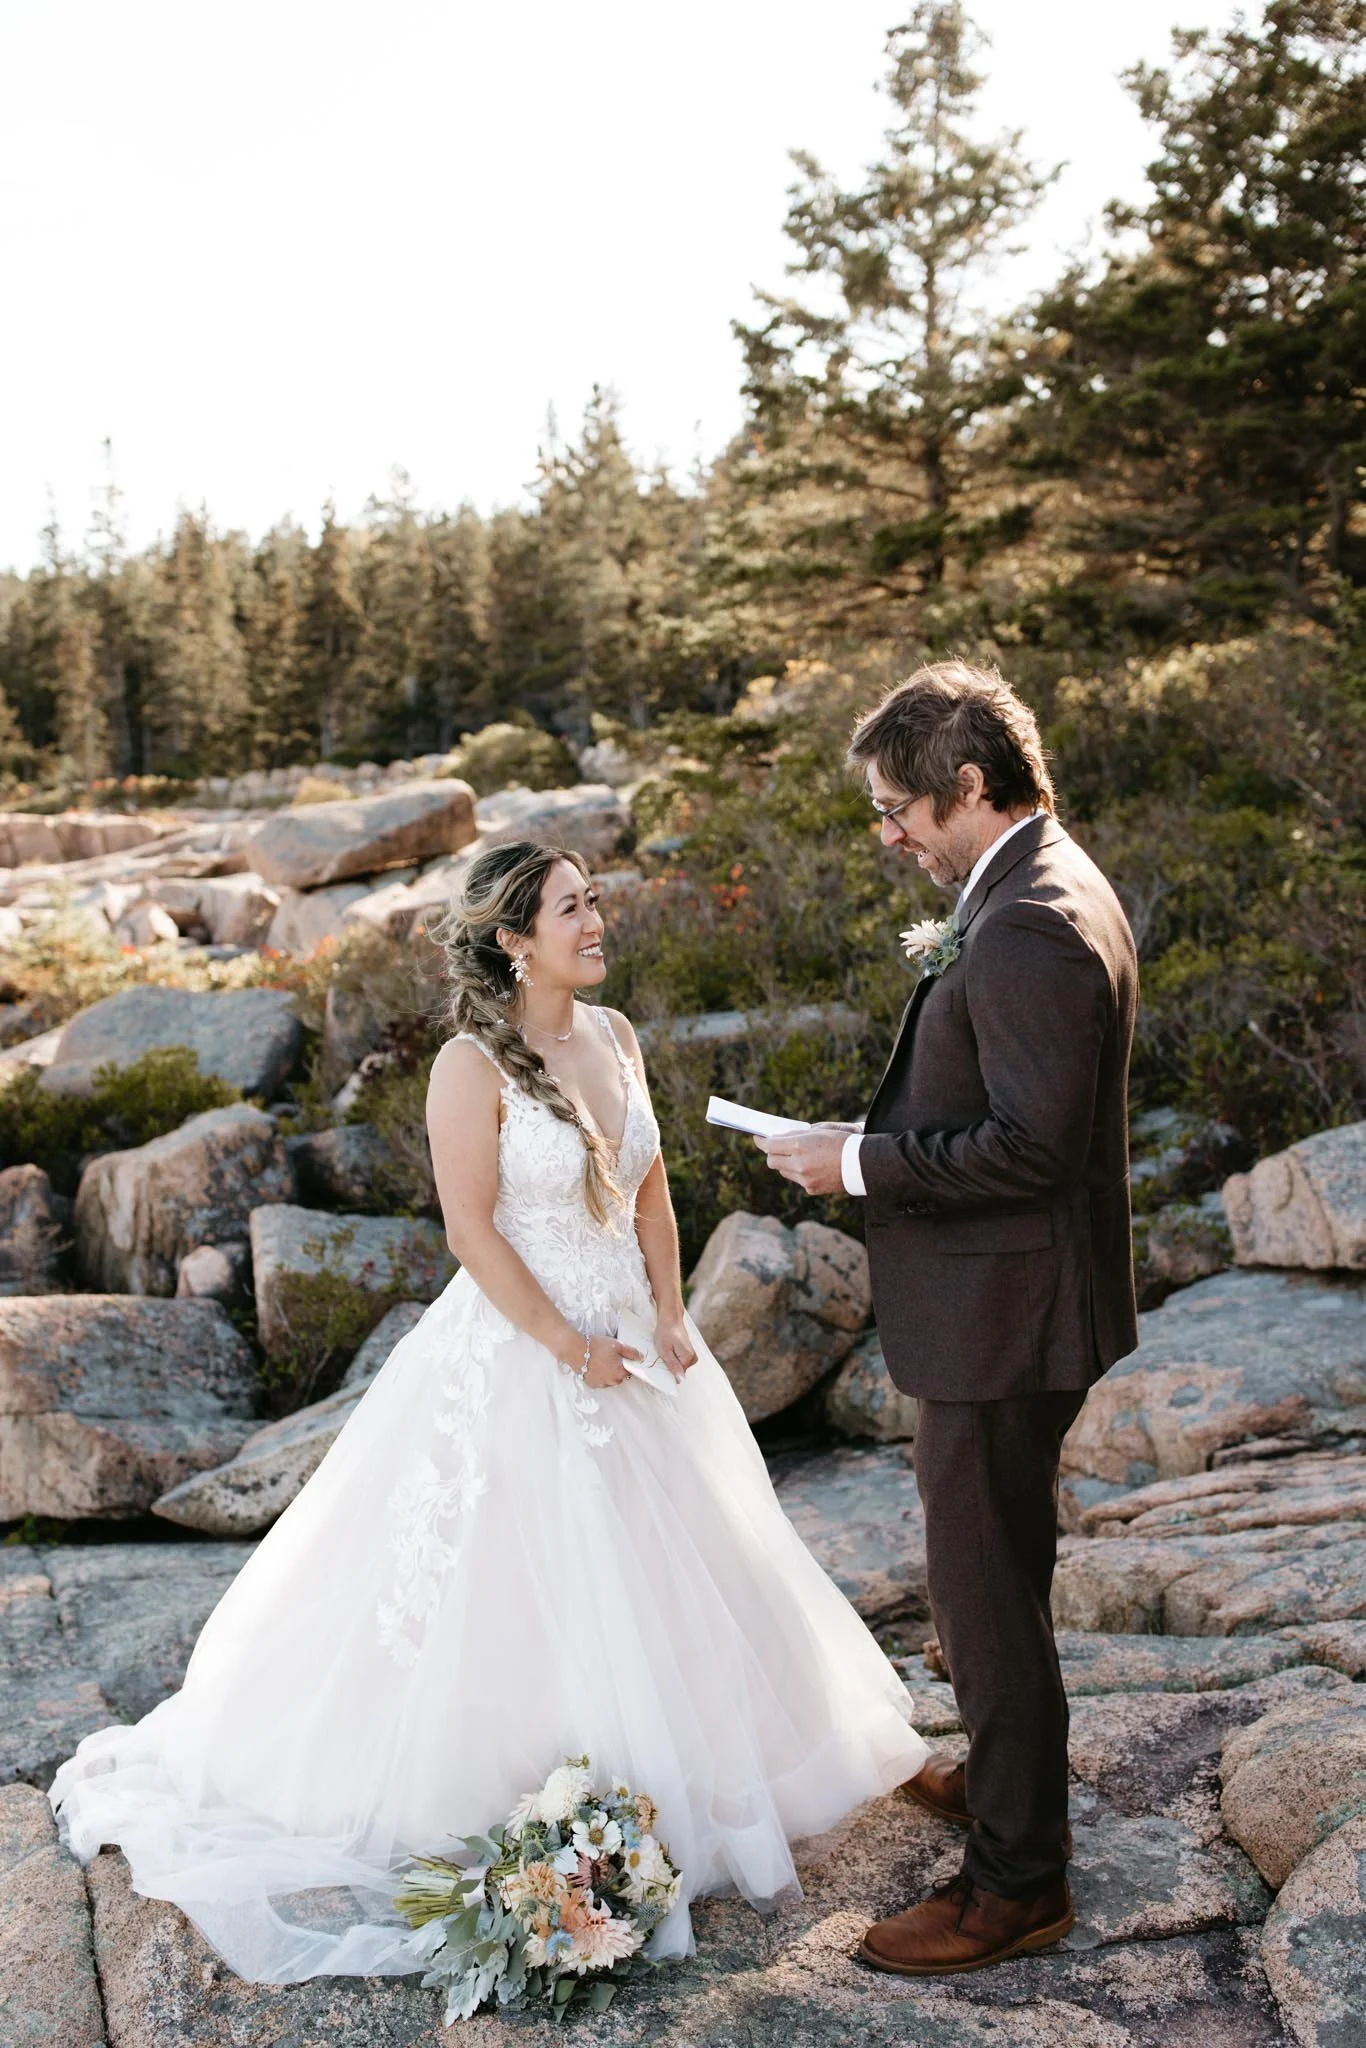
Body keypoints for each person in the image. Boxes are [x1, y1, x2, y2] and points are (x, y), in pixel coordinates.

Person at [50, 837, 927, 1986]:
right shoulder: (469, 1067)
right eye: (573, 907)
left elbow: (651, 1184)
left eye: (595, 899)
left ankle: (703, 1778)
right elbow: (473, 1230)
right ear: (515, 937)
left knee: (687, 1565)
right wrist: (569, 1345)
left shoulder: (615, 1038)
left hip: (635, 1342)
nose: (597, 919)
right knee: (522, 1574)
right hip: (527, 1347)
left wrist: (668, 1308)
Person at [759, 662, 1139, 1976]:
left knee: (980, 1592)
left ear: (965, 786)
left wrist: (858, 1165)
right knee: (1001, 1571)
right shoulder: (1041, 878)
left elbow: (1031, 1147)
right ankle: (1003, 1772)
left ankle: (1016, 1884)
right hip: (1024, 1301)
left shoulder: (1029, 915)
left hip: (1007, 1314)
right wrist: (863, 1139)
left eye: (894, 811)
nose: (887, 838)